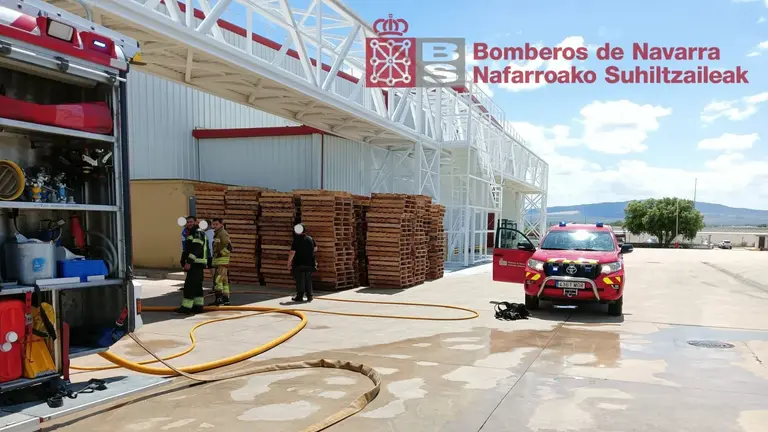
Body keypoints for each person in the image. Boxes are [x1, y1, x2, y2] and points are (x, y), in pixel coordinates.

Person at [176, 218, 208, 315]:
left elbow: (196, 250)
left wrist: (189, 262)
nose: (189, 224)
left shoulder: (197, 233)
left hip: (195, 264)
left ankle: (186, 307)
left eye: (191, 222)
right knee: (197, 287)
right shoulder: (193, 233)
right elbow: (187, 249)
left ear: (196, 223)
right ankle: (198, 306)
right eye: (188, 222)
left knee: (189, 286)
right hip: (198, 264)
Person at [287, 223, 316, 302]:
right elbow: (315, 248)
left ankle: (299, 297)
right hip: (310, 264)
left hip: (299, 264)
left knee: (300, 280)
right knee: (308, 279)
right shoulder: (310, 238)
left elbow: (292, 253)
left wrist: (288, 263)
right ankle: (310, 296)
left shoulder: (296, 240)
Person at [210, 218, 233, 306]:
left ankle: (219, 298)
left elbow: (229, 247)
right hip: (219, 262)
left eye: (216, 224)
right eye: (213, 224)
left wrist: (220, 254)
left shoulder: (222, 233)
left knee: (218, 280)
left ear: (221, 224)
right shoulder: (217, 234)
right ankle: (225, 298)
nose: (214, 226)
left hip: (222, 262)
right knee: (224, 281)